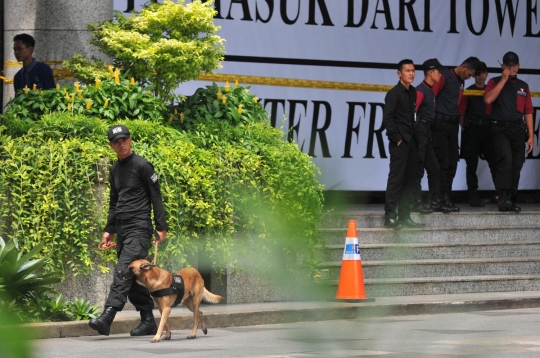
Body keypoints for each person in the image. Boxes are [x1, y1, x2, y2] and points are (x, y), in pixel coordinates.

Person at [89, 124, 168, 336]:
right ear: (111, 145)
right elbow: (115, 202)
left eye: (124, 140)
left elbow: (156, 197)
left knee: (124, 270)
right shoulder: (115, 168)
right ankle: (148, 320)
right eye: (117, 142)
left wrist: (161, 227)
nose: (121, 144)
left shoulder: (143, 165)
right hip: (123, 230)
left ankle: (108, 316)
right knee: (133, 276)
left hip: (139, 228)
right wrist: (109, 230)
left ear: (130, 140)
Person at [484, 51, 534, 213]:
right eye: (508, 65)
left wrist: (531, 135)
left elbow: (528, 111)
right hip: (499, 127)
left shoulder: (523, 86)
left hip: (517, 129)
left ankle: (511, 197)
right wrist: (504, 79)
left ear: (518, 66)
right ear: (502, 66)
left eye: (514, 65)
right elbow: (488, 99)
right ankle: (503, 196)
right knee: (506, 159)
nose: (511, 68)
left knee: (517, 162)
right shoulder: (494, 81)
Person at [432, 56, 482, 212]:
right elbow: (431, 97)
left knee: (453, 162)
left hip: (453, 124)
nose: (470, 78)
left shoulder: (461, 82)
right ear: (464, 67)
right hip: (440, 123)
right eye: (470, 74)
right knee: (443, 162)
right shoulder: (444, 76)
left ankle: (446, 195)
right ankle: (440, 198)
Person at [383, 59, 424, 229]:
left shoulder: (413, 92)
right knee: (396, 179)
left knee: (410, 180)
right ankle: (390, 216)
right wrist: (397, 138)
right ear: (399, 73)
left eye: (413, 70)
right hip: (400, 142)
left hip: (412, 140)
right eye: (407, 70)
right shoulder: (393, 93)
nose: (412, 73)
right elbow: (388, 118)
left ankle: (405, 216)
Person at [412, 58, 452, 214]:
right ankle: (416, 203)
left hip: (427, 131)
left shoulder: (429, 90)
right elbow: (412, 113)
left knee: (434, 168)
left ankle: (435, 201)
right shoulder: (420, 91)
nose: (441, 74)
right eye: (438, 71)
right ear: (430, 72)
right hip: (420, 131)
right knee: (418, 169)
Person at [458, 61, 497, 207]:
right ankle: (473, 196)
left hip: (488, 130)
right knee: (471, 165)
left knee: (495, 163)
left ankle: (502, 194)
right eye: (478, 74)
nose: (481, 77)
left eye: (483, 74)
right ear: (474, 75)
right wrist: (466, 129)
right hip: (472, 129)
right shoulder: (468, 91)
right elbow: (461, 114)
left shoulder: (492, 91)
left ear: (487, 74)